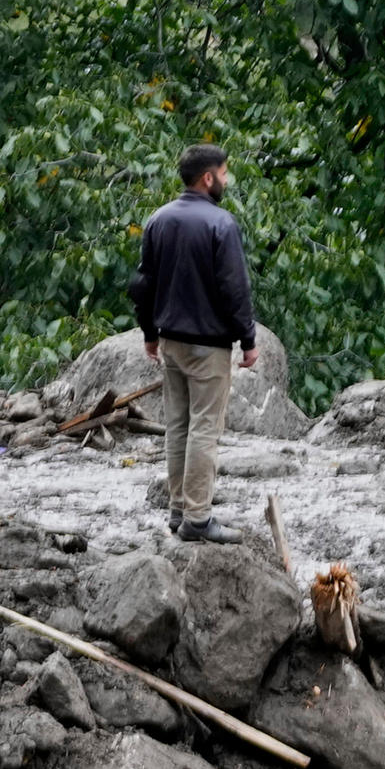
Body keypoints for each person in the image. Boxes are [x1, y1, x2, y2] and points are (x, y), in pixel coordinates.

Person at [132, 145, 258, 542]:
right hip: (209, 346)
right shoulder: (221, 224)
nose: (226, 180)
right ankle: (199, 519)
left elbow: (143, 285)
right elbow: (234, 288)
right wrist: (248, 339)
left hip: (170, 341)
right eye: (224, 172)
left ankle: (178, 511)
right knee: (205, 429)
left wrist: (150, 333)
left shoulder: (158, 219)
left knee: (177, 427)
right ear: (208, 177)